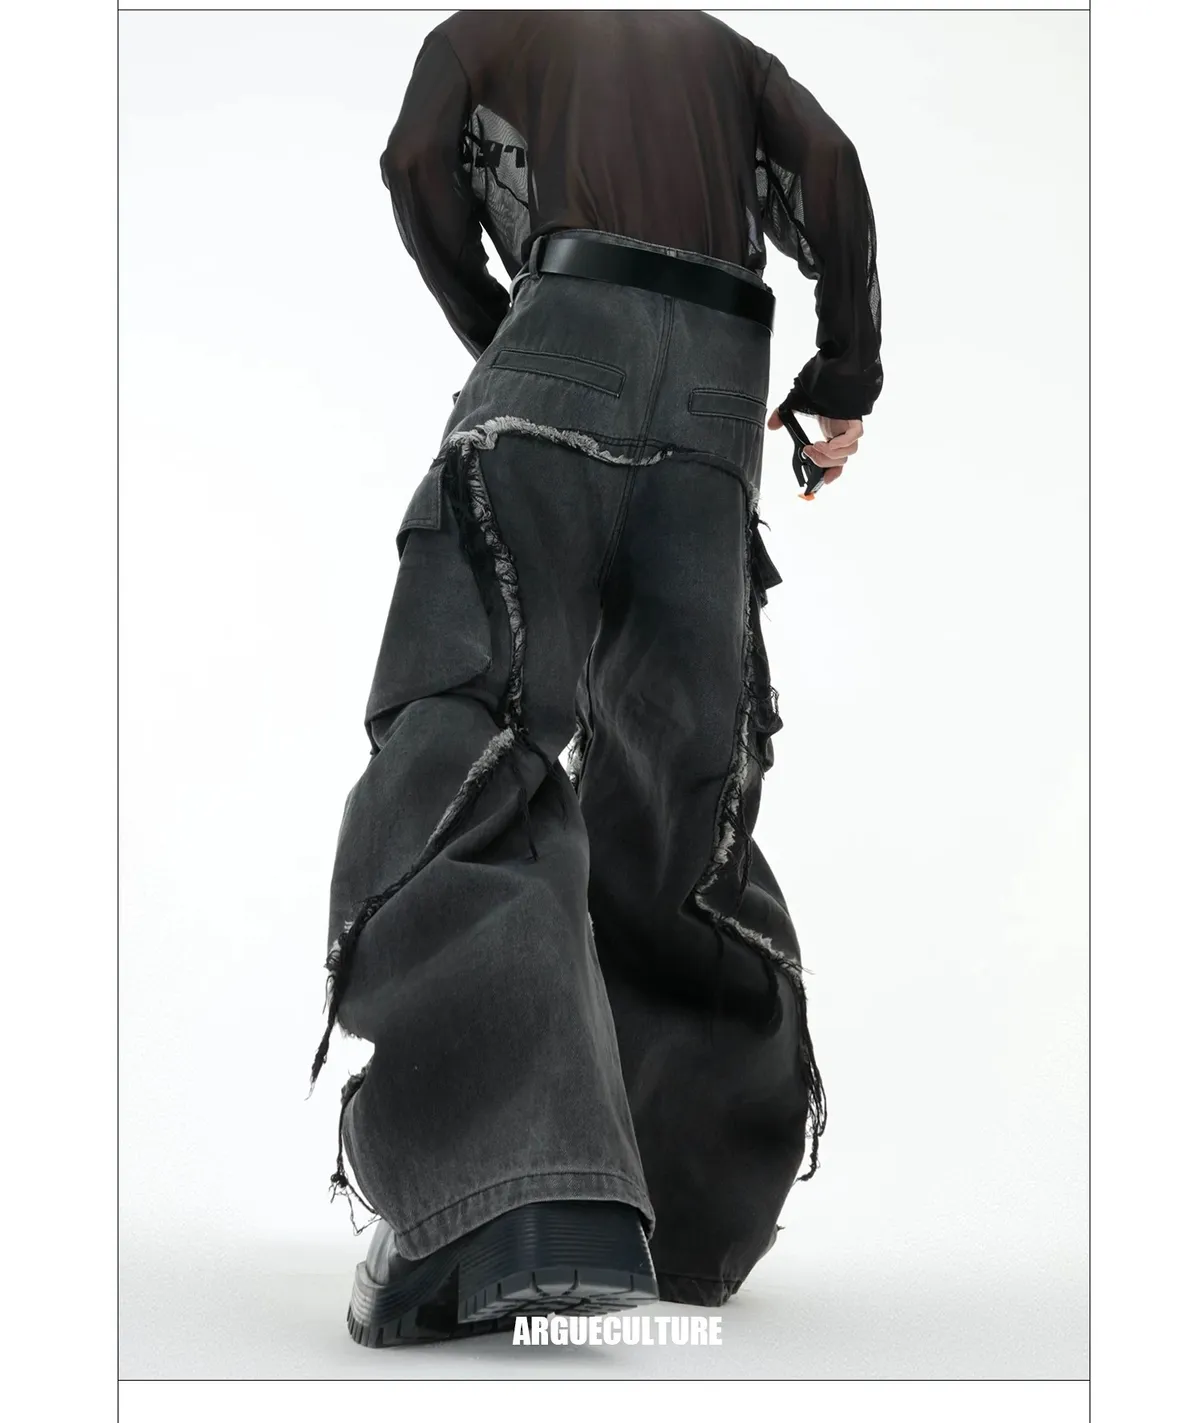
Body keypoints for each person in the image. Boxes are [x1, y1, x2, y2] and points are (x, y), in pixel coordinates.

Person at [307, 10, 883, 1347]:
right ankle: (675, 1210)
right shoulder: (727, 55)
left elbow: (416, 161)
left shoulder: (495, 31)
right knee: (678, 786)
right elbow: (832, 170)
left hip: (561, 339)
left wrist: (501, 326)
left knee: (469, 721)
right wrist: (844, 372)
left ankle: (519, 1192)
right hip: (719, 403)